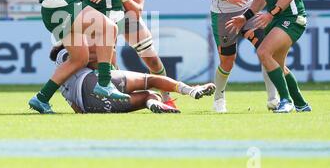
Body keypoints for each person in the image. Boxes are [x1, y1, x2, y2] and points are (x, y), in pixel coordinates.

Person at [225, 0, 311, 113]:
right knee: (278, 64)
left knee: (263, 52)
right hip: (279, 18)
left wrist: (271, 13)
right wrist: (244, 16)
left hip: (293, 18)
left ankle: (285, 101)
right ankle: (301, 104)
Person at [52, 47, 216, 114]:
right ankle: (191, 90)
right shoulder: (65, 53)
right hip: (93, 82)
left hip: (91, 106)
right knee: (150, 79)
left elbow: (77, 109)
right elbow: (95, 59)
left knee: (149, 95)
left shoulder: (60, 81)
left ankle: (153, 104)